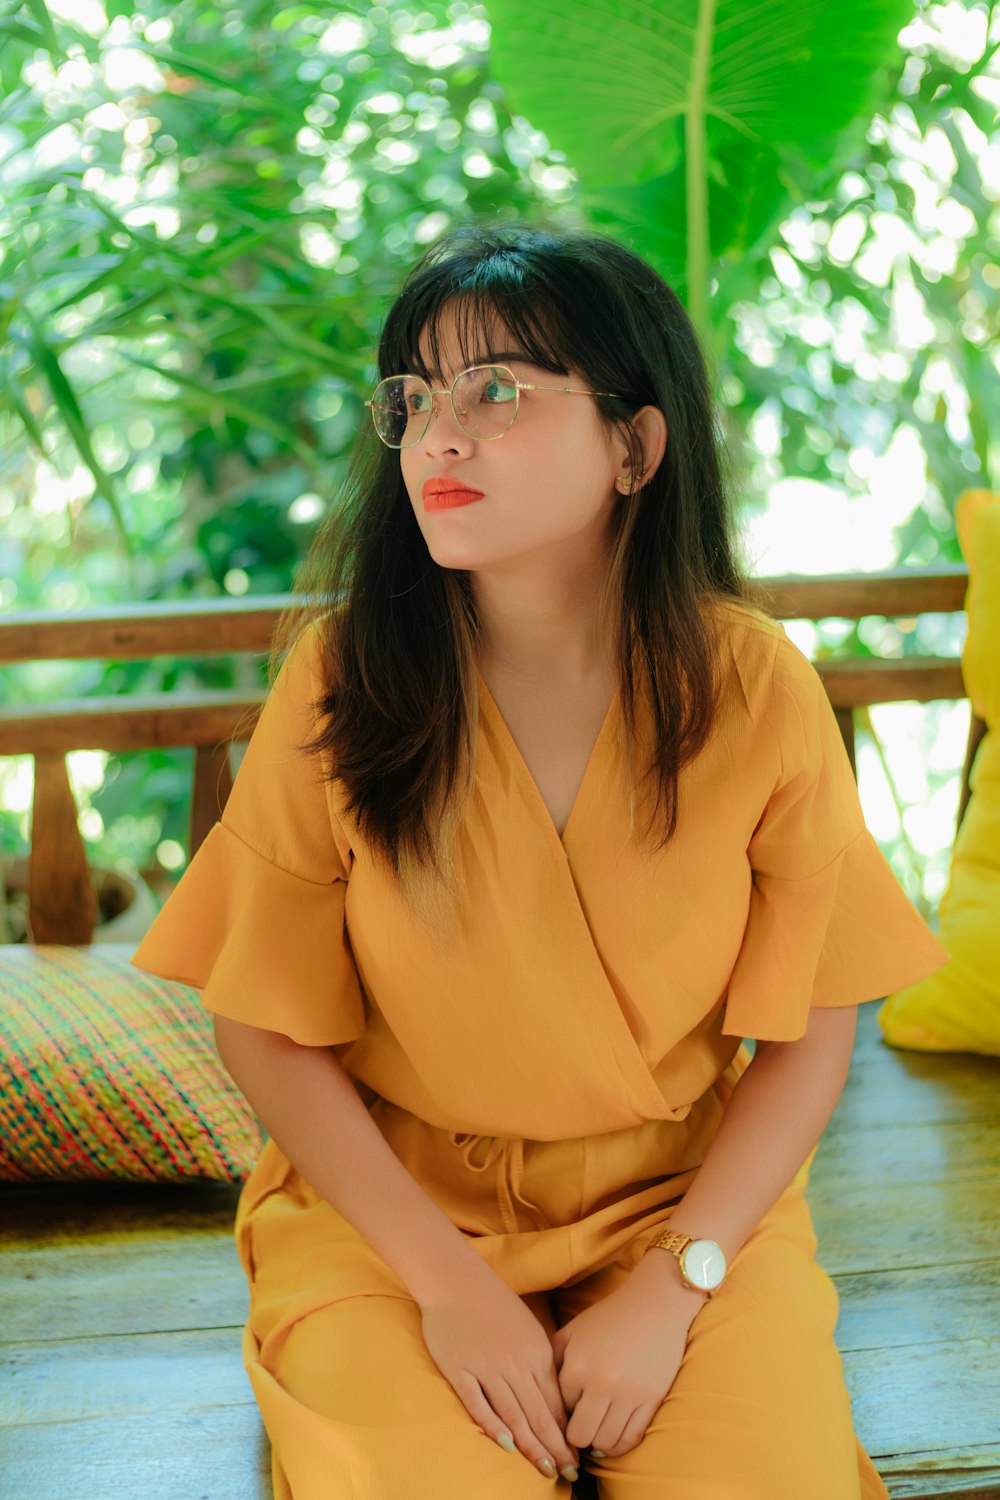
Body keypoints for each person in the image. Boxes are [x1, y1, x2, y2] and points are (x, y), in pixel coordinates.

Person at [131, 219, 949, 1499]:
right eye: (413, 397)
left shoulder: (755, 687)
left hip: (676, 1214)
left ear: (634, 445)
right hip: (393, 1221)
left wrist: (679, 1284)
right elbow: (265, 1030)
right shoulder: (341, 680)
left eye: (496, 389)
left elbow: (811, 1033)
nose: (437, 435)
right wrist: (450, 1290)